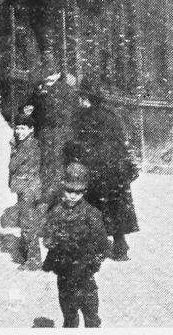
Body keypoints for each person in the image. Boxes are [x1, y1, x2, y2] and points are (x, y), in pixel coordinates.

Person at [65, 80, 139, 260]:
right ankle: (120, 246)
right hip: (114, 169)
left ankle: (94, 247)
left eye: (81, 97)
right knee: (116, 207)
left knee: (95, 207)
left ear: (86, 98)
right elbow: (121, 140)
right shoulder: (111, 114)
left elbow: (78, 144)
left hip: (96, 169)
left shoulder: (83, 117)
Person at [42, 162, 108, 328]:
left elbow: (102, 244)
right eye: (69, 190)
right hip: (64, 272)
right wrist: (54, 241)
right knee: (69, 315)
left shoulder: (91, 214)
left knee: (90, 314)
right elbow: (48, 237)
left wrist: (93, 263)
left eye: (77, 192)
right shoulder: (56, 212)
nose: (72, 196)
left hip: (84, 273)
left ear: (84, 191)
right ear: (63, 189)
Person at [27, 51, 77, 196]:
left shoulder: (65, 88)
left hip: (58, 133)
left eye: (49, 63)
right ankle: (48, 196)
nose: (46, 67)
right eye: (44, 63)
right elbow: (32, 110)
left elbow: (69, 113)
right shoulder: (41, 86)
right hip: (46, 133)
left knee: (57, 167)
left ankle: (55, 196)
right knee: (46, 166)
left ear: (57, 67)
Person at [8, 110, 43, 270]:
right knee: (26, 222)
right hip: (27, 188)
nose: (18, 131)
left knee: (28, 223)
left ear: (31, 129)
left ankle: (34, 260)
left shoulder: (28, 146)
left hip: (28, 189)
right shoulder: (28, 144)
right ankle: (28, 254)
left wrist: (13, 148)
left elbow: (13, 166)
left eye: (23, 128)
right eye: (17, 128)